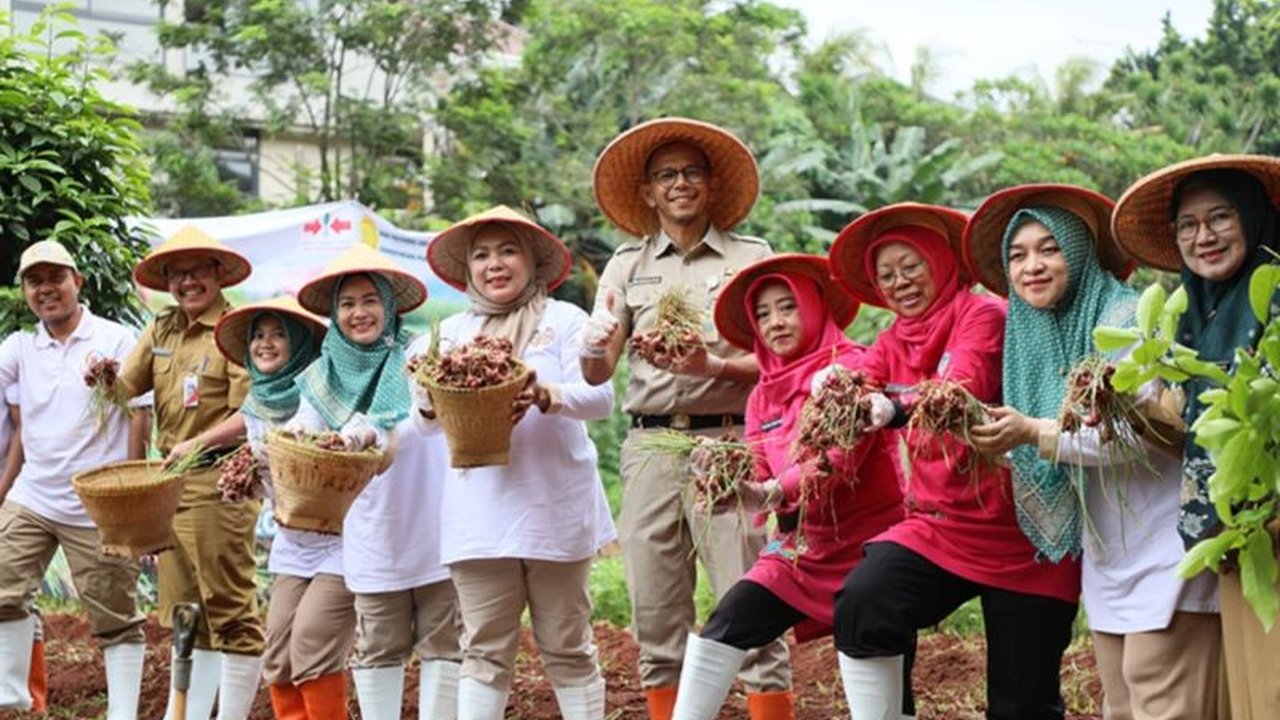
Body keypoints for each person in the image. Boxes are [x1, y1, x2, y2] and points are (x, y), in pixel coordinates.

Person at [965, 185, 1223, 719]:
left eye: (1049, 248)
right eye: (1018, 255)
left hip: (1167, 545)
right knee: (1122, 706)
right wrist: (1000, 444)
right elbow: (1057, 444)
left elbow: (1145, 432)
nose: (1032, 266)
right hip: (1108, 553)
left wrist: (1032, 432)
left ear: (1079, 252)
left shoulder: (1126, 322)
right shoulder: (1034, 341)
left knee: (1160, 694)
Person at [826, 203, 1081, 720]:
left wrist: (893, 407)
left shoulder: (982, 313)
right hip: (941, 527)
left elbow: (958, 384)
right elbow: (861, 379)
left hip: (1023, 533)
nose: (900, 282)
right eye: (886, 275)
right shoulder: (893, 338)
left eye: (911, 266)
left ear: (941, 261)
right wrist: (837, 390)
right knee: (865, 601)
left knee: (1021, 706)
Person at [581, 117, 790, 720]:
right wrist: (595, 345)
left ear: (712, 186)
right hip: (649, 446)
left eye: (691, 173)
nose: (679, 184)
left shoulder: (752, 258)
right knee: (654, 611)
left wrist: (711, 365)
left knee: (749, 600)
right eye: (666, 175)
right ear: (647, 192)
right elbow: (599, 370)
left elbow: (781, 360)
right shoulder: (625, 266)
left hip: (729, 441)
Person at [667, 254, 905, 719]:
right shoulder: (762, 391)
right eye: (763, 313)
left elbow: (839, 460)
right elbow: (757, 466)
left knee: (878, 657)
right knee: (728, 622)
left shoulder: (853, 368)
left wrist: (774, 491)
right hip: (802, 548)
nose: (775, 322)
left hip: (873, 545)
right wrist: (726, 479)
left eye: (787, 307)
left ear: (815, 307)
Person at [422, 205, 616, 720]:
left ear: (532, 262)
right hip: (478, 515)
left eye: (508, 251)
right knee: (484, 648)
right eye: (482, 255)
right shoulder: (447, 338)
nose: (495, 264)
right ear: (468, 269)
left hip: (554, 508)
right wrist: (426, 401)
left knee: (567, 643)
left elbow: (602, 399)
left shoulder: (565, 320)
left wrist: (550, 394)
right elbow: (421, 424)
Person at [1112, 155, 1280, 720]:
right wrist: (1124, 405)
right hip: (1236, 542)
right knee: (1254, 698)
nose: (1202, 236)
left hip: (1272, 531)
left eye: (1220, 218)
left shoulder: (1275, 295)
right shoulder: (1191, 321)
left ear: (1253, 218)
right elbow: (1189, 439)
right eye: (1188, 224)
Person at [289, 242, 460, 720]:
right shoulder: (321, 376)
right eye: (347, 303)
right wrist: (295, 437)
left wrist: (370, 429)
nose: (359, 313)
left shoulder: (418, 358)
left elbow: (422, 420)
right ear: (335, 314)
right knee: (379, 646)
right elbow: (303, 431)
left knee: (444, 645)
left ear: (388, 307)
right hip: (369, 534)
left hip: (434, 529)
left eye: (370, 301)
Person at [118, 225, 263, 720]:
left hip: (219, 480)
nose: (187, 282)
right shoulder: (162, 329)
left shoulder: (236, 328)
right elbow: (124, 390)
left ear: (217, 274)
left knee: (228, 605)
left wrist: (195, 444)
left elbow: (252, 413)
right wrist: (100, 378)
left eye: (197, 270)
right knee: (186, 611)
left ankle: (234, 713)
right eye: (177, 274)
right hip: (170, 486)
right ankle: (189, 713)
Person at [0, 240, 149, 717]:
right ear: (24, 291)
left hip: (97, 498)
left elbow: (139, 417)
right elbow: (19, 420)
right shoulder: (21, 347)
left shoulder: (115, 339)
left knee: (116, 615)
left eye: (55, 278)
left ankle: (122, 712)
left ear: (77, 282)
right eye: (34, 281)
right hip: (35, 494)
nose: (46, 289)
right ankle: (13, 696)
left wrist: (128, 493)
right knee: (1, 585)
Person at [207, 294, 357, 719]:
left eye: (278, 335)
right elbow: (275, 482)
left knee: (311, 643)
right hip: (292, 542)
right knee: (278, 653)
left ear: (301, 343)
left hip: (340, 541)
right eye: (258, 335)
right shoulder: (257, 405)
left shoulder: (328, 394)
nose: (265, 343)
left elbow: (339, 460)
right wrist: (246, 478)